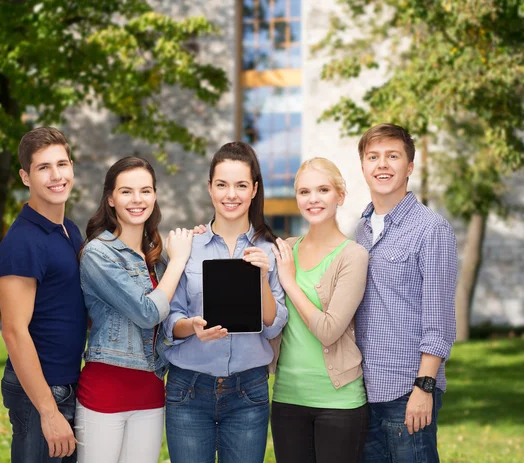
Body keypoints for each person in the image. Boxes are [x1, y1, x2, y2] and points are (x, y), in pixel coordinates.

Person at [160, 141, 288, 463]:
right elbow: (168, 320)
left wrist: (261, 278)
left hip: (249, 392)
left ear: (255, 189)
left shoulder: (270, 250)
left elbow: (273, 328)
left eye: (241, 185)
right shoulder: (187, 246)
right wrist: (192, 327)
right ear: (210, 188)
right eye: (222, 185)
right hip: (188, 389)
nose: (231, 194)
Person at [73, 156, 193, 463]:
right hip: (104, 394)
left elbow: (168, 320)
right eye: (126, 191)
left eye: (145, 190)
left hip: (151, 394)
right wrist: (179, 260)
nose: (137, 199)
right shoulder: (98, 253)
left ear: (154, 195)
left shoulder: (156, 258)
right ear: (110, 198)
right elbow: (147, 312)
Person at [355, 123, 457, 462]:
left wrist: (423, 388)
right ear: (364, 167)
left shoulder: (432, 229)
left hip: (406, 392)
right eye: (373, 157)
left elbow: (439, 320)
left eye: (392, 156)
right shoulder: (360, 230)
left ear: (409, 167)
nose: (382, 164)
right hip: (362, 393)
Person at [269, 157, 370, 463]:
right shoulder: (285, 249)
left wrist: (289, 281)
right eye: (304, 191)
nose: (313, 199)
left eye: (323, 189)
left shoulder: (353, 256)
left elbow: (329, 331)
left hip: (338, 403)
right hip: (287, 397)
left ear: (339, 195)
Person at [0, 127, 86, 462]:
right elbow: (13, 331)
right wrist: (49, 412)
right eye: (43, 167)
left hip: (67, 384)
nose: (56, 175)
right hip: (40, 394)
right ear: (25, 176)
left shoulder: (69, 230)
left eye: (61, 164)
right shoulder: (22, 242)